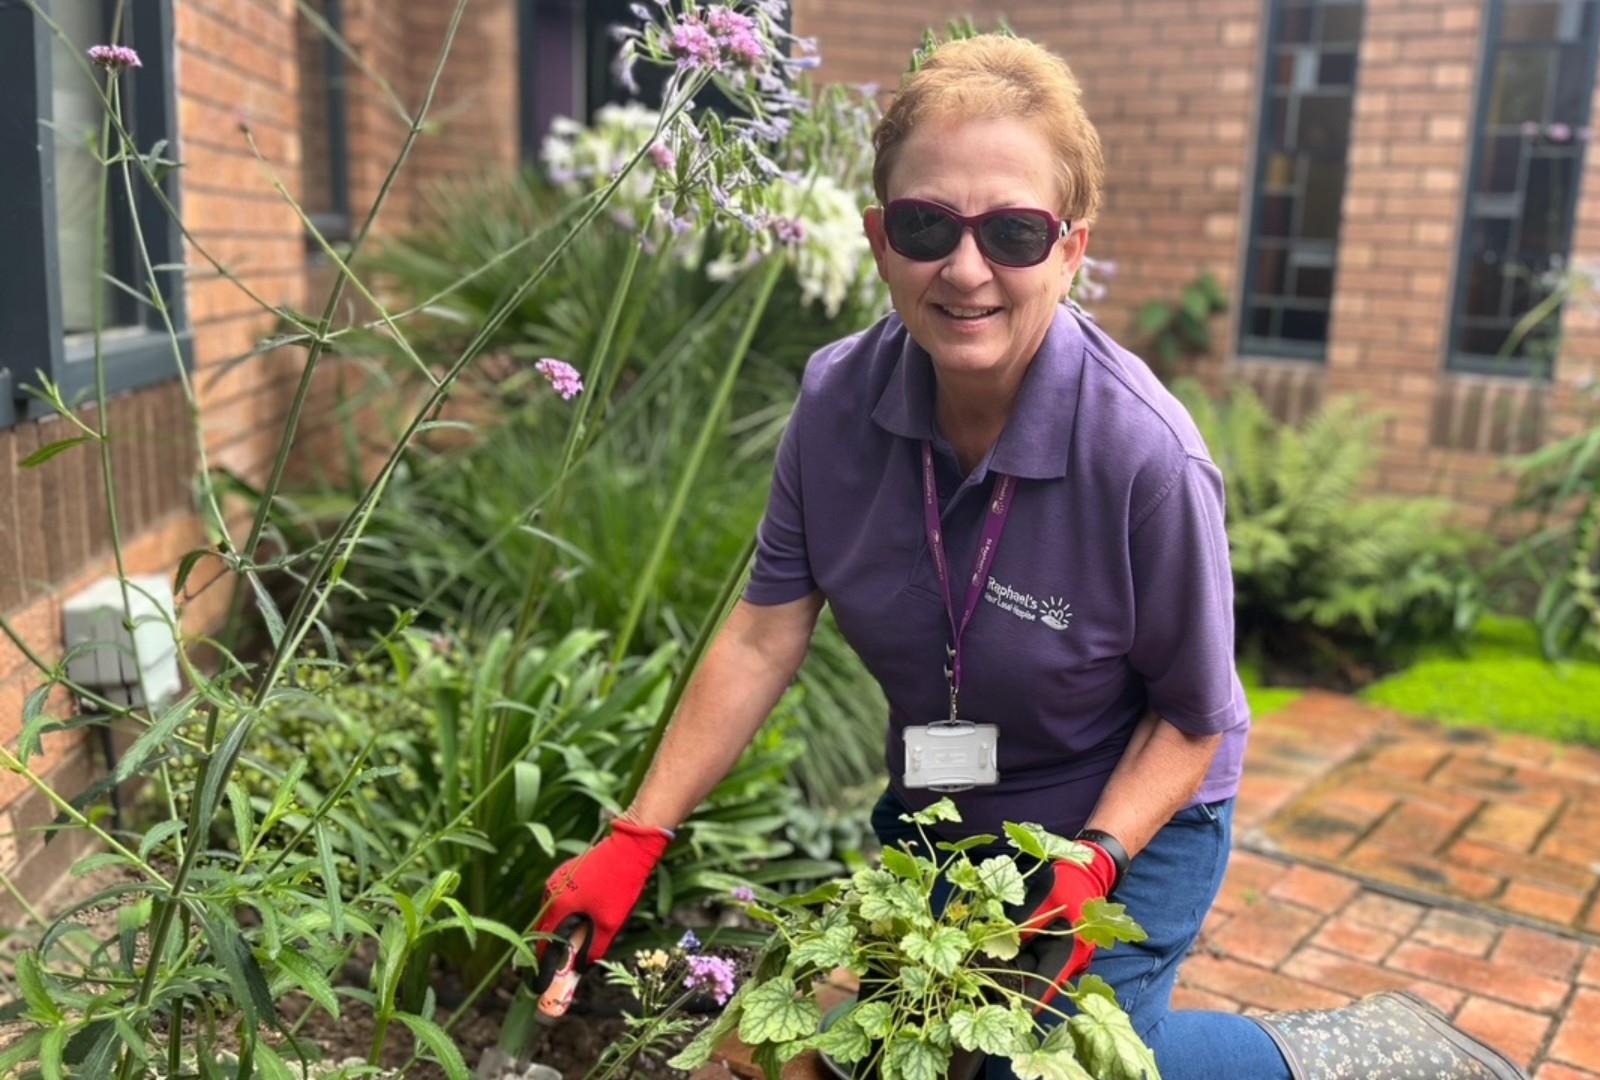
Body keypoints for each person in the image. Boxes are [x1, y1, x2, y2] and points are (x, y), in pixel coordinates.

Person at [533, 33, 1527, 1080]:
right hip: (946, 799)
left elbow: (1198, 717)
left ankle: (1342, 1057)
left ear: (1070, 249)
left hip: (1126, 817)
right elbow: (764, 629)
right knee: (901, 1061)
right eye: (926, 225)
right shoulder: (834, 405)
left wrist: (1097, 859)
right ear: (879, 238)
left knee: (1034, 1071)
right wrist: (639, 834)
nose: (966, 270)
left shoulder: (1146, 457)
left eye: (1013, 231)